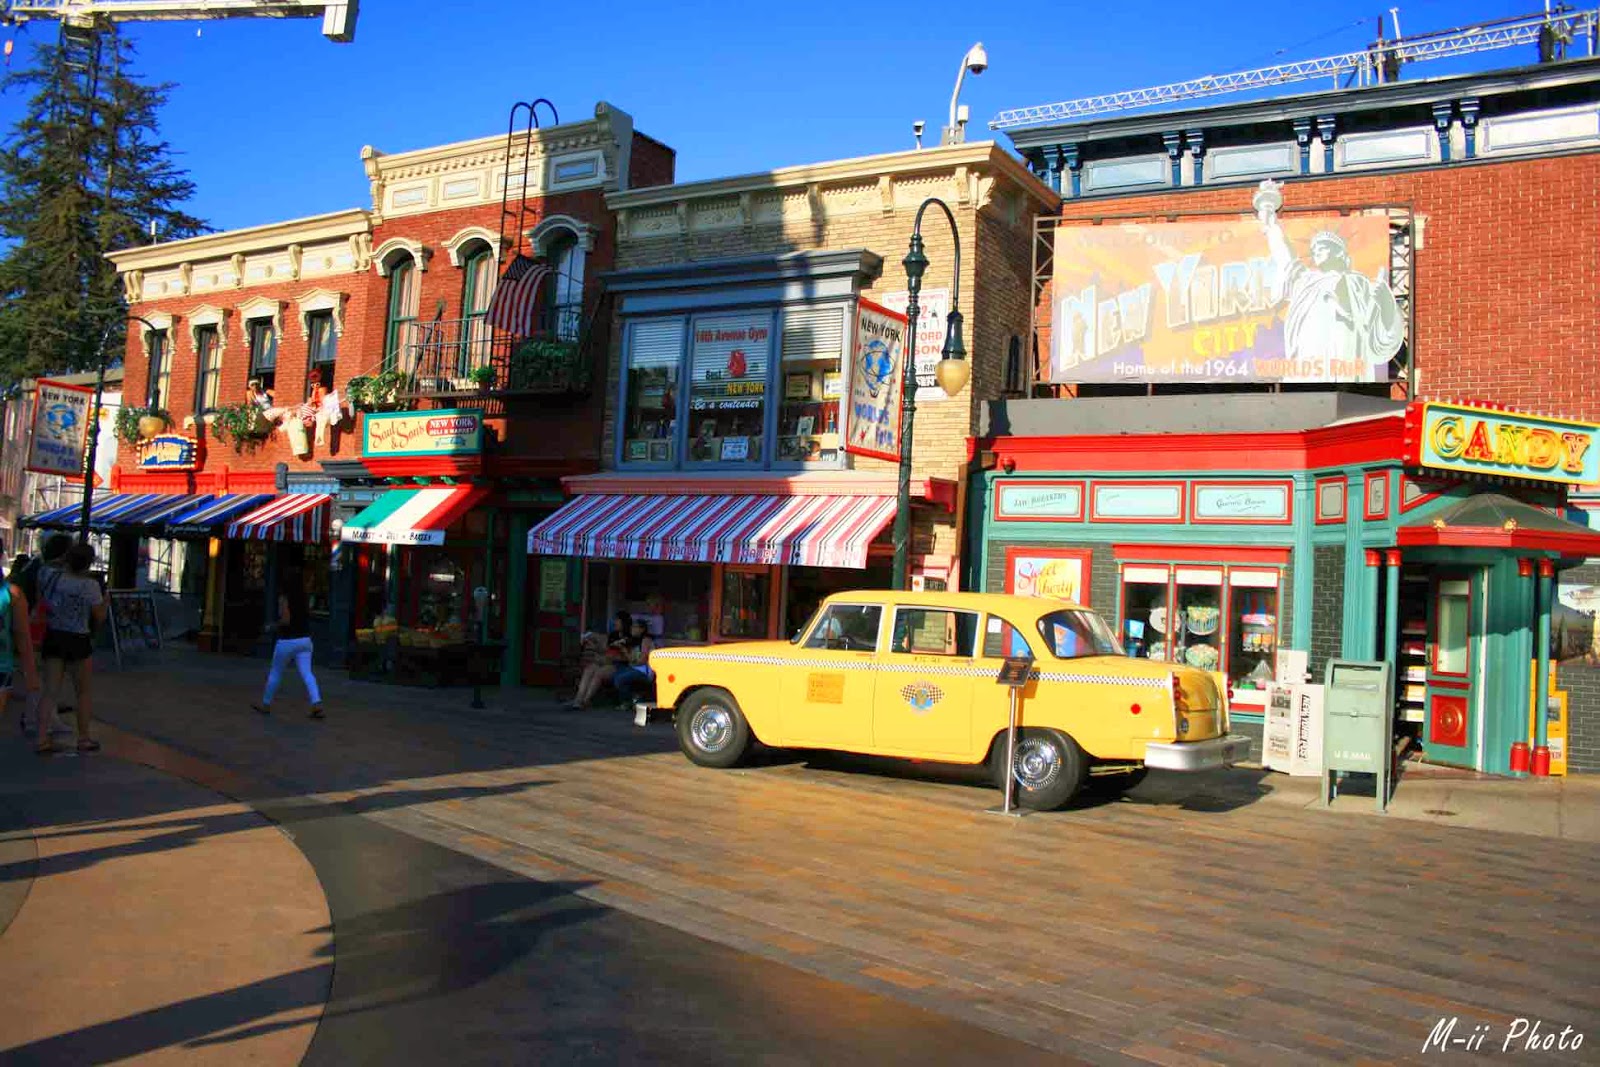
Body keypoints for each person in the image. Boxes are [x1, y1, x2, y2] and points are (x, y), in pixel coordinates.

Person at [36, 542, 105, 755]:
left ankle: (41, 737)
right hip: (79, 638)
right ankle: (83, 738)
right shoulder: (90, 586)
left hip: (55, 634)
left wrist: (63, 560)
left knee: (50, 691)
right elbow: (99, 617)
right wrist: (107, 602)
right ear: (88, 564)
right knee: (82, 692)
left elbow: (46, 569)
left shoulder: (49, 575)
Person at [15, 534, 74, 740]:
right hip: (46, 626)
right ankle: (38, 718)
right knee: (42, 676)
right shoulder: (53, 572)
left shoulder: (39, 568)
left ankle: (43, 717)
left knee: (44, 675)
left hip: (39, 624)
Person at [253, 567, 323, 719]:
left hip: (287, 640)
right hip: (305, 640)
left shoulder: (285, 598)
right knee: (307, 673)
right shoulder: (304, 597)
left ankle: (266, 704)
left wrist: (272, 626)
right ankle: (316, 703)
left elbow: (286, 620)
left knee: (276, 673)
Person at [0, 567, 40, 732]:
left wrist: (30, 674)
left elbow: (23, 637)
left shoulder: (12, 594)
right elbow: (22, 637)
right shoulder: (12, 593)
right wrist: (30, 674)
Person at [569, 611, 632, 709]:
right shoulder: (613, 635)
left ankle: (586, 701)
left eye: (617, 621)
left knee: (599, 673)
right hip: (606, 661)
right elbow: (606, 650)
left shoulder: (630, 637)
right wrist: (595, 646)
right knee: (589, 669)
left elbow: (628, 657)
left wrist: (613, 657)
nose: (615, 623)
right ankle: (578, 699)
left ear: (624, 622)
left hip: (619, 665)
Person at [612, 618, 658, 705]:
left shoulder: (646, 640)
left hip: (644, 671)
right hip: (634, 668)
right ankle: (631, 699)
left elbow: (642, 660)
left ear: (642, 629)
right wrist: (623, 649)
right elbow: (631, 659)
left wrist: (631, 660)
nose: (632, 629)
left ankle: (630, 700)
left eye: (635, 627)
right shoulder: (633, 641)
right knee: (616, 674)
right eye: (632, 627)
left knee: (620, 679)